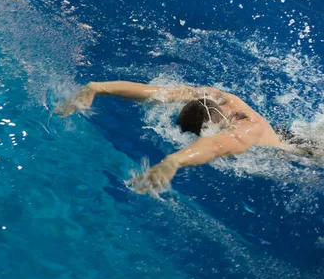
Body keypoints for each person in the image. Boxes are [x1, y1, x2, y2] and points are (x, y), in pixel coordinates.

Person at [55, 80, 311, 194]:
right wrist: (97, 88)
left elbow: (218, 145)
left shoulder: (247, 128)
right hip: (287, 134)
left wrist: (174, 160)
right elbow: (155, 93)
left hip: (302, 155)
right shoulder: (217, 97)